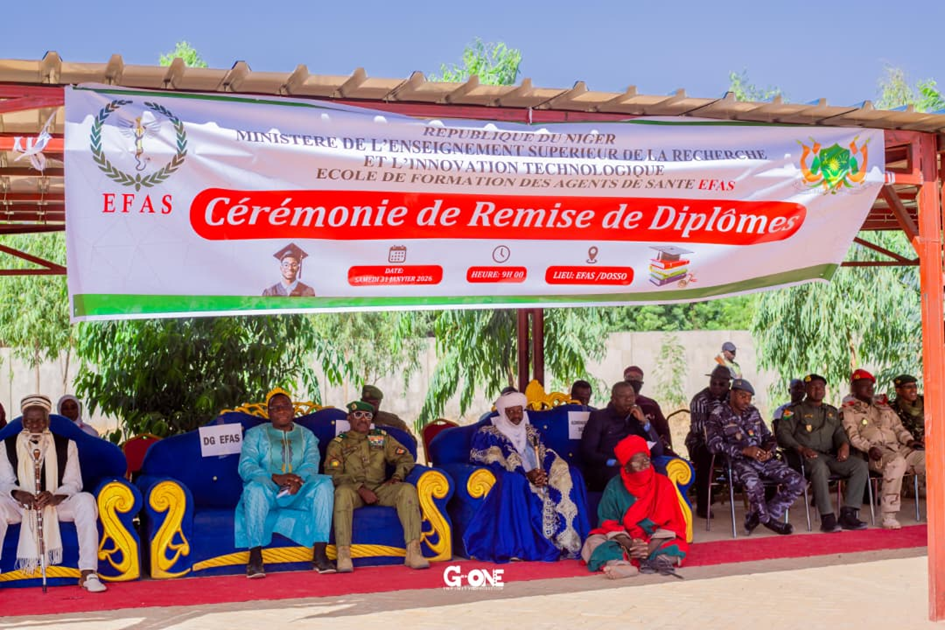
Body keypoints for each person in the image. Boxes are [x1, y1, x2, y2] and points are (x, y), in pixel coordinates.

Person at [466, 391, 589, 562]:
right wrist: (525, 475)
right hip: (514, 477)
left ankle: (568, 542)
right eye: (511, 411)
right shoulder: (488, 433)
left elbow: (544, 453)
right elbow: (490, 460)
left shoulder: (532, 431)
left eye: (519, 411)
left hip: (537, 477)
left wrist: (542, 473)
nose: (516, 416)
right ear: (503, 412)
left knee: (571, 473)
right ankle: (521, 546)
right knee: (513, 482)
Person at [0, 394, 107, 592]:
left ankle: (88, 572)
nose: (34, 425)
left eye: (39, 420)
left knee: (86, 500)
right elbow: (4, 483)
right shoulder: (5, 446)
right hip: (20, 507)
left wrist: (55, 496)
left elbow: (74, 483)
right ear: (23, 421)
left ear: (48, 421)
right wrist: (19, 494)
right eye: (29, 421)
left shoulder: (67, 444)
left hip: (56, 506)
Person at [235, 388, 335, 578]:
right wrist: (275, 478)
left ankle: (320, 554)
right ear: (269, 412)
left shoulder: (307, 435)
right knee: (254, 489)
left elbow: (311, 463)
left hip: (298, 491)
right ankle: (255, 557)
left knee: (324, 484)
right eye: (276, 408)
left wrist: (297, 480)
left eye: (285, 406)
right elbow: (246, 466)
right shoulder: (255, 434)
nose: (281, 411)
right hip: (268, 491)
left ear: (293, 410)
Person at [326, 400, 428, 572]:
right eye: (358, 415)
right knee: (342, 493)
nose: (363, 419)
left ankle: (413, 551)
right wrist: (360, 488)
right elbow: (332, 473)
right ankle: (343, 554)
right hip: (353, 491)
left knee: (407, 489)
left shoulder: (380, 438)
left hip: (380, 489)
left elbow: (406, 458)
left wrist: (396, 477)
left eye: (367, 416)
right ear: (349, 419)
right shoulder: (339, 443)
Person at [706, 379, 804, 535]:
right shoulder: (718, 415)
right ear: (732, 394)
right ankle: (768, 521)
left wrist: (768, 450)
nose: (746, 401)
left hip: (761, 460)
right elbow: (712, 445)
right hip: (736, 463)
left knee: (798, 481)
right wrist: (744, 450)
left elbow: (768, 437)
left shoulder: (753, 412)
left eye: (749, 397)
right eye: (742, 396)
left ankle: (756, 518)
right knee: (754, 484)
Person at [582, 435, 687, 580]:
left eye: (646, 460)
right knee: (593, 541)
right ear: (626, 467)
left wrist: (648, 548)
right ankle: (621, 565)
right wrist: (631, 545)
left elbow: (673, 523)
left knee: (678, 545)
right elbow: (608, 522)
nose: (644, 465)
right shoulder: (614, 486)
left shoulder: (664, 484)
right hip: (624, 540)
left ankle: (654, 561)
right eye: (637, 463)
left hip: (655, 539)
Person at [776, 374, 868, 532]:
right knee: (820, 467)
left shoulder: (831, 411)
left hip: (828, 456)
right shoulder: (794, 411)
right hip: (803, 456)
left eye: (821, 387)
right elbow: (783, 435)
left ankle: (848, 514)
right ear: (805, 389)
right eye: (813, 387)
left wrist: (844, 445)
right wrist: (801, 448)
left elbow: (839, 432)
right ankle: (827, 518)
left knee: (859, 465)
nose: (818, 390)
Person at [841, 369, 925, 530]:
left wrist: (910, 441)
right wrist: (869, 447)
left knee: (932, 460)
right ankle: (889, 516)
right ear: (854, 389)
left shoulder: (883, 407)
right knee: (897, 462)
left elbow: (898, 428)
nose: (870, 390)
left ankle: (938, 510)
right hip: (874, 453)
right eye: (864, 387)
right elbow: (853, 437)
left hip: (898, 447)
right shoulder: (848, 410)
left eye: (871, 387)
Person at [581, 382, 664, 492]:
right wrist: (615, 462)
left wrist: (644, 421)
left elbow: (658, 451)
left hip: (636, 465)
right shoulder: (599, 418)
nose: (629, 400)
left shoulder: (637, 419)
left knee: (661, 473)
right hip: (608, 467)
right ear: (613, 399)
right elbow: (588, 452)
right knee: (623, 476)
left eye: (631, 396)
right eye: (623, 396)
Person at [685, 365, 732, 519]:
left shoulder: (734, 397)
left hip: (727, 442)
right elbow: (700, 429)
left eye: (721, 384)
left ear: (728, 385)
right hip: (700, 442)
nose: (716, 387)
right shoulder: (700, 399)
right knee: (706, 457)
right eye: (713, 383)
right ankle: (703, 505)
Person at [623, 366, 673, 453]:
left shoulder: (651, 404)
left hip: (654, 449)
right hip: (628, 450)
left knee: (681, 464)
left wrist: (662, 442)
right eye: (630, 377)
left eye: (637, 378)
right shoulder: (616, 404)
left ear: (642, 382)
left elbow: (663, 428)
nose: (633, 380)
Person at [890, 374, 924, 442]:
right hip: (910, 444)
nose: (913, 390)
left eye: (915, 386)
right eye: (908, 387)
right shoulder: (893, 408)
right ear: (898, 390)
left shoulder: (926, 401)